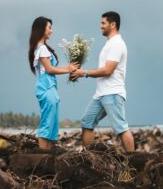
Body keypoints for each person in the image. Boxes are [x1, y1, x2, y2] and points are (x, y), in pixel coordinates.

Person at [71, 11, 135, 152]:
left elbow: (108, 70)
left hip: (112, 93)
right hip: (101, 94)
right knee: (87, 121)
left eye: (103, 23)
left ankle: (133, 162)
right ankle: (89, 158)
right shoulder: (110, 43)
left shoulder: (117, 44)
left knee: (121, 128)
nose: (100, 26)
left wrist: (84, 73)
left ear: (113, 25)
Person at [28, 16, 78, 150]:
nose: (51, 31)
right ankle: (42, 156)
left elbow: (49, 69)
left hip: (49, 89)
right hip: (47, 89)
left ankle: (47, 156)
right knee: (47, 124)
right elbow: (50, 70)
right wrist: (68, 70)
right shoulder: (42, 49)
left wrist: (67, 68)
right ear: (41, 29)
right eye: (49, 28)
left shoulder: (42, 48)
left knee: (51, 125)